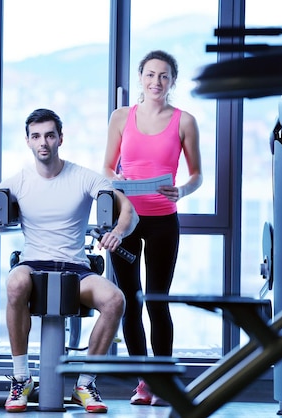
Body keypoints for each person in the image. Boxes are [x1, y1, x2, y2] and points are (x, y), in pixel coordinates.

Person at [0, 108, 138, 413]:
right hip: (34, 265)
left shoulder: (84, 177)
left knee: (115, 299)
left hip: (76, 269)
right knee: (15, 282)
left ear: (60, 139)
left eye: (50, 135)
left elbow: (128, 211)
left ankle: (85, 383)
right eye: (36, 136)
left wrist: (118, 232)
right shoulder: (18, 181)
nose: (44, 142)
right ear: (28, 141)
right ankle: (21, 378)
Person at [103, 50, 203, 406]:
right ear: (140, 78)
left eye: (163, 76)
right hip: (126, 220)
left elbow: (196, 176)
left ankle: (162, 382)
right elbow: (107, 169)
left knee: (156, 301)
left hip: (163, 220)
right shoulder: (120, 117)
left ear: (172, 81)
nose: (156, 82)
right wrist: (119, 180)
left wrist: (183, 190)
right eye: (150, 75)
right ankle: (143, 382)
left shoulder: (185, 121)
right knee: (130, 301)